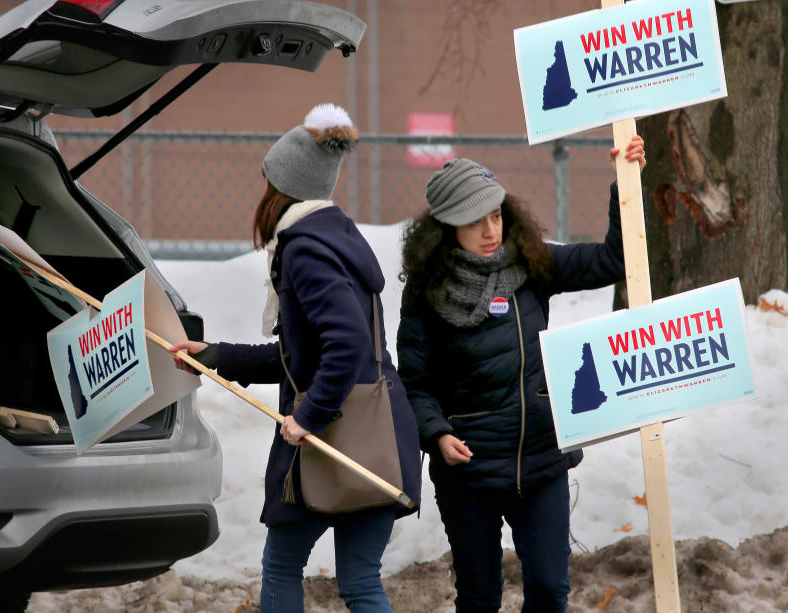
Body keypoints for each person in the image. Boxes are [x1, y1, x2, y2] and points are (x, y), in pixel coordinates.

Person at [169, 103, 421, 613]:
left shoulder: (304, 250)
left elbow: (345, 345)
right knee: (361, 583)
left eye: (266, 181)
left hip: (332, 440)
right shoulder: (337, 238)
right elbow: (302, 353)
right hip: (381, 435)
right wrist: (215, 355)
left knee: (282, 568)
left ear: (282, 187)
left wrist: (308, 417)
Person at [396, 137, 645, 612]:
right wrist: (437, 434)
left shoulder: (532, 264)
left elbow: (614, 260)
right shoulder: (427, 292)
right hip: (469, 471)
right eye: (475, 221)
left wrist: (624, 182)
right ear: (448, 227)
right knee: (479, 597)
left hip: (541, 462)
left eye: (496, 215)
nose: (490, 230)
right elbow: (416, 383)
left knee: (551, 591)